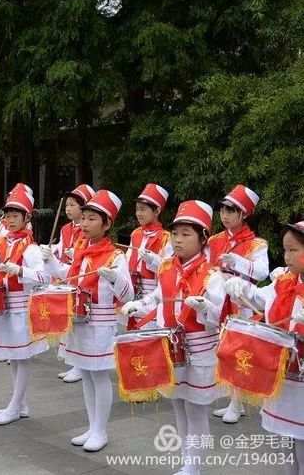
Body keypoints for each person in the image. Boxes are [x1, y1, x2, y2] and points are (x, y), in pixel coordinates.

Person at [123, 200, 225, 475]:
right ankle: (186, 461)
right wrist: (139, 305)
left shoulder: (213, 273)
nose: (178, 240)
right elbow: (159, 296)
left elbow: (217, 316)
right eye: (176, 234)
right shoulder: (167, 266)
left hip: (200, 351)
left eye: (186, 234)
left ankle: (195, 466)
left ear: (203, 238)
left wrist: (205, 307)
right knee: (178, 405)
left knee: (195, 409)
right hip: (171, 347)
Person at [43, 189, 133, 452]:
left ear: (107, 224)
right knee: (85, 374)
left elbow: (128, 294)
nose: (84, 223)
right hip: (79, 321)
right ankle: (92, 426)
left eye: (92, 219)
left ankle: (101, 431)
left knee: (99, 375)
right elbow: (67, 277)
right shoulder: (80, 249)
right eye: (84, 218)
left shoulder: (116, 256)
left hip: (102, 324)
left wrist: (114, 278)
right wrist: (50, 264)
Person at [225, 221, 304, 475]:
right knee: (285, 442)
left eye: (293, 250)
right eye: (285, 250)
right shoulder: (283, 282)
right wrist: (239, 288)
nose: (287, 256)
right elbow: (259, 297)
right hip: (282, 377)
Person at [0, 187, 50, 425]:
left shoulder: (31, 248)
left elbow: (43, 277)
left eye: (16, 215)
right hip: (7, 307)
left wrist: (20, 270)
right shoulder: (6, 243)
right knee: (13, 358)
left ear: (27, 218)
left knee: (22, 357)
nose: (10, 220)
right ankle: (20, 404)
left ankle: (15, 405)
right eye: (8, 215)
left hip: (22, 309)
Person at [208, 185, 269, 424]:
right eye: (223, 209)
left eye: (231, 210)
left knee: (238, 352)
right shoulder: (213, 240)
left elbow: (262, 272)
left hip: (241, 302)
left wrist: (238, 263)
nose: (225, 215)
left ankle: (236, 403)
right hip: (218, 301)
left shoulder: (257, 244)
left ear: (244, 214)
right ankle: (234, 401)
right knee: (222, 351)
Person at [48, 183, 95, 384]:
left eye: (73, 205)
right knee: (69, 321)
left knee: (78, 319)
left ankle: (79, 365)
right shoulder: (66, 228)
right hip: (66, 275)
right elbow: (61, 246)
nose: (68, 209)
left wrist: (71, 254)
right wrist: (52, 252)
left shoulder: (87, 230)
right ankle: (73, 362)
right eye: (67, 205)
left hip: (81, 277)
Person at [123, 183, 173, 330]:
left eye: (143, 209)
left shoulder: (166, 237)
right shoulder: (136, 233)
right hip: (134, 290)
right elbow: (128, 260)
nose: (138, 213)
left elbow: (170, 268)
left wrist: (153, 260)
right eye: (137, 209)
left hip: (153, 292)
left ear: (157, 210)